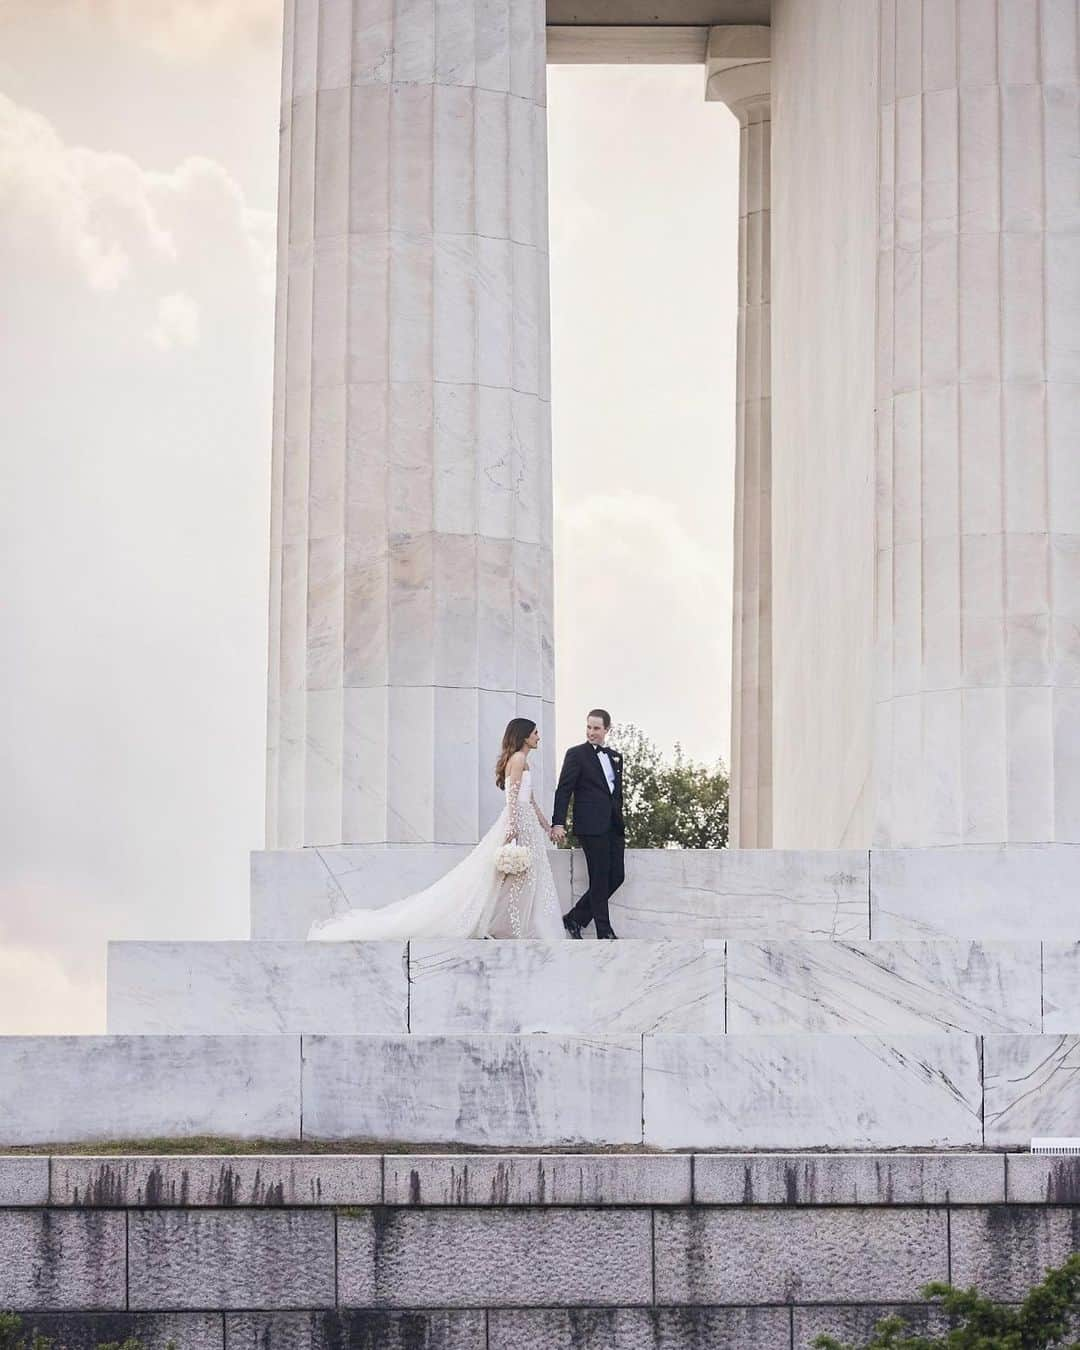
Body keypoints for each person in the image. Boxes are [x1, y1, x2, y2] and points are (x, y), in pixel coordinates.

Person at [307, 719, 564, 940]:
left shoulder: (520, 760)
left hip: (525, 821)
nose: (538, 737)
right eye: (535, 733)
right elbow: (514, 798)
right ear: (523, 736)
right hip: (518, 822)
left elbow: (529, 800)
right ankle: (505, 927)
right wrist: (512, 829)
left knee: (522, 878)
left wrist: (547, 827)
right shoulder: (518, 759)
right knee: (513, 879)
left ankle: (511, 926)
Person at [550, 709, 624, 939]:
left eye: (597, 728)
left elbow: (616, 794)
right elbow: (564, 790)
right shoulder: (576, 754)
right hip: (590, 825)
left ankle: (575, 918)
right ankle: (604, 931)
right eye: (589, 727)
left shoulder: (615, 756)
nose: (591, 732)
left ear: (607, 730)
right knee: (599, 876)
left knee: (617, 876)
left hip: (613, 825)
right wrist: (558, 822)